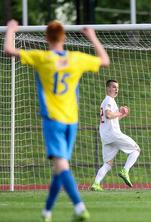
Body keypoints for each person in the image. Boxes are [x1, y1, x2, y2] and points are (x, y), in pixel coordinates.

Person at [4, 19, 109, 222]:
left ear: (46, 38)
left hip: (53, 119)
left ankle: (79, 207)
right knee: (60, 168)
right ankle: (47, 212)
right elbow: (104, 60)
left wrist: (11, 29)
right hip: (72, 119)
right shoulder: (76, 58)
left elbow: (9, 50)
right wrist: (92, 36)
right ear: (65, 37)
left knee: (61, 165)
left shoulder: (42, 58)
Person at [90, 80, 141, 191]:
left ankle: (96, 184)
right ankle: (125, 170)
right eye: (113, 87)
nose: (116, 89)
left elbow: (113, 118)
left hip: (106, 136)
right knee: (136, 149)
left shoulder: (109, 101)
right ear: (108, 88)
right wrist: (120, 112)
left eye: (117, 87)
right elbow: (108, 115)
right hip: (113, 133)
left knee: (108, 163)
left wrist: (122, 114)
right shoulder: (108, 100)